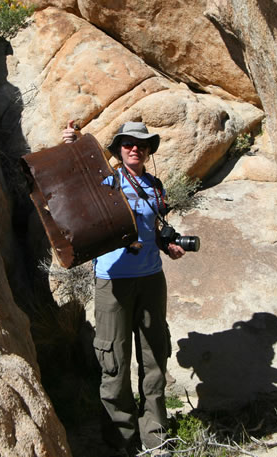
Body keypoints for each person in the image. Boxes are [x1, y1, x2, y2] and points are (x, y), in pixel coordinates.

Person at [62, 120, 185, 457]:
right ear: (118, 150)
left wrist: (168, 245)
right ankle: (120, 439)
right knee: (114, 360)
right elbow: (75, 184)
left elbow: (156, 228)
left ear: (148, 151)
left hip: (150, 281)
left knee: (154, 358)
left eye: (142, 144)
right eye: (128, 143)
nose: (136, 148)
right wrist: (73, 145)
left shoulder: (154, 185)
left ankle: (155, 437)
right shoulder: (107, 181)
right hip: (112, 282)